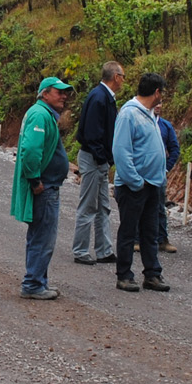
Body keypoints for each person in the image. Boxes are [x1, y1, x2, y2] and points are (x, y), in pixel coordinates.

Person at [11, 76, 74, 300]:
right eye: (59, 92)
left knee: (40, 235)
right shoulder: (40, 114)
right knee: (43, 237)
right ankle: (33, 284)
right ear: (45, 93)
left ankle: (38, 281)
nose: (64, 96)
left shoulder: (43, 114)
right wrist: (36, 181)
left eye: (65, 92)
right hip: (44, 188)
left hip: (47, 186)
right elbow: (30, 151)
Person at [110, 72, 171, 293]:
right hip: (134, 185)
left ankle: (152, 273)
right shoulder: (129, 114)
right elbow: (121, 151)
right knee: (128, 231)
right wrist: (135, 181)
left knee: (150, 231)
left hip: (152, 184)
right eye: (161, 92)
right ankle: (124, 275)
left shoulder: (148, 114)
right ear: (156, 92)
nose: (162, 97)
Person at [72, 61, 123, 264]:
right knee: (88, 205)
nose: (123, 80)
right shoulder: (99, 97)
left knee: (103, 206)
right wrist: (103, 158)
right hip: (93, 158)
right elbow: (92, 133)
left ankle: (104, 249)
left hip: (99, 159)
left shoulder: (104, 97)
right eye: (123, 76)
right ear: (115, 76)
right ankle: (80, 250)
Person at [155, 113, 181, 252]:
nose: (158, 105)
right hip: (142, 171)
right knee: (138, 205)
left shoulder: (165, 125)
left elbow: (174, 149)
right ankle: (136, 238)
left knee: (159, 206)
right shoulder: (138, 121)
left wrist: (166, 168)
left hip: (159, 173)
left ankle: (162, 239)